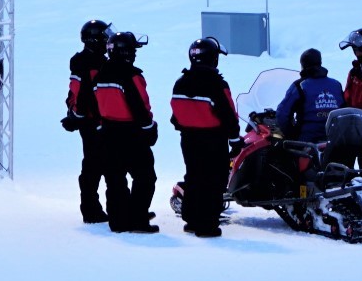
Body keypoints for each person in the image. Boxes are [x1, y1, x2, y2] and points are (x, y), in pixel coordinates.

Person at [63, 22, 159, 232]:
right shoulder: (84, 63)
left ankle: (123, 213)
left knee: (112, 172)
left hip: (104, 124)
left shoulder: (103, 65)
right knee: (96, 168)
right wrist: (78, 116)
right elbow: (80, 92)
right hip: (99, 123)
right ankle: (95, 210)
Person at [170, 37, 239, 238]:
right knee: (214, 181)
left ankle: (191, 220)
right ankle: (207, 225)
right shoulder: (217, 84)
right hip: (213, 139)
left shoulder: (181, 82)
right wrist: (234, 139)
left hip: (189, 139)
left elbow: (175, 117)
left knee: (193, 176)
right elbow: (229, 114)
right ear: (213, 59)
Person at [275, 48, 344, 143]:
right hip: (334, 141)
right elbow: (344, 110)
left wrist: (291, 134)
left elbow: (282, 114)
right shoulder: (336, 85)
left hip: (307, 142)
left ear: (303, 65)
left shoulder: (300, 86)